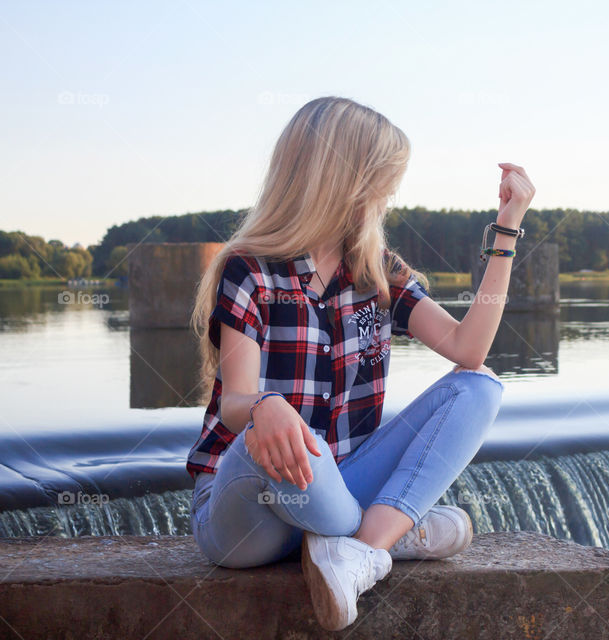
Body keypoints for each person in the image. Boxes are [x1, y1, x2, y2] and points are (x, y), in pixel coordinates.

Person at [185, 96, 535, 631]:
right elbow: (235, 401)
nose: (391, 192)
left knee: (479, 387)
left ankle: (362, 550)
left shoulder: (377, 272)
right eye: (384, 177)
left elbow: (469, 348)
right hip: (250, 504)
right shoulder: (248, 270)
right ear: (343, 177)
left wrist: (507, 229)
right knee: (281, 443)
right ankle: (387, 528)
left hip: (339, 481)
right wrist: (266, 407)